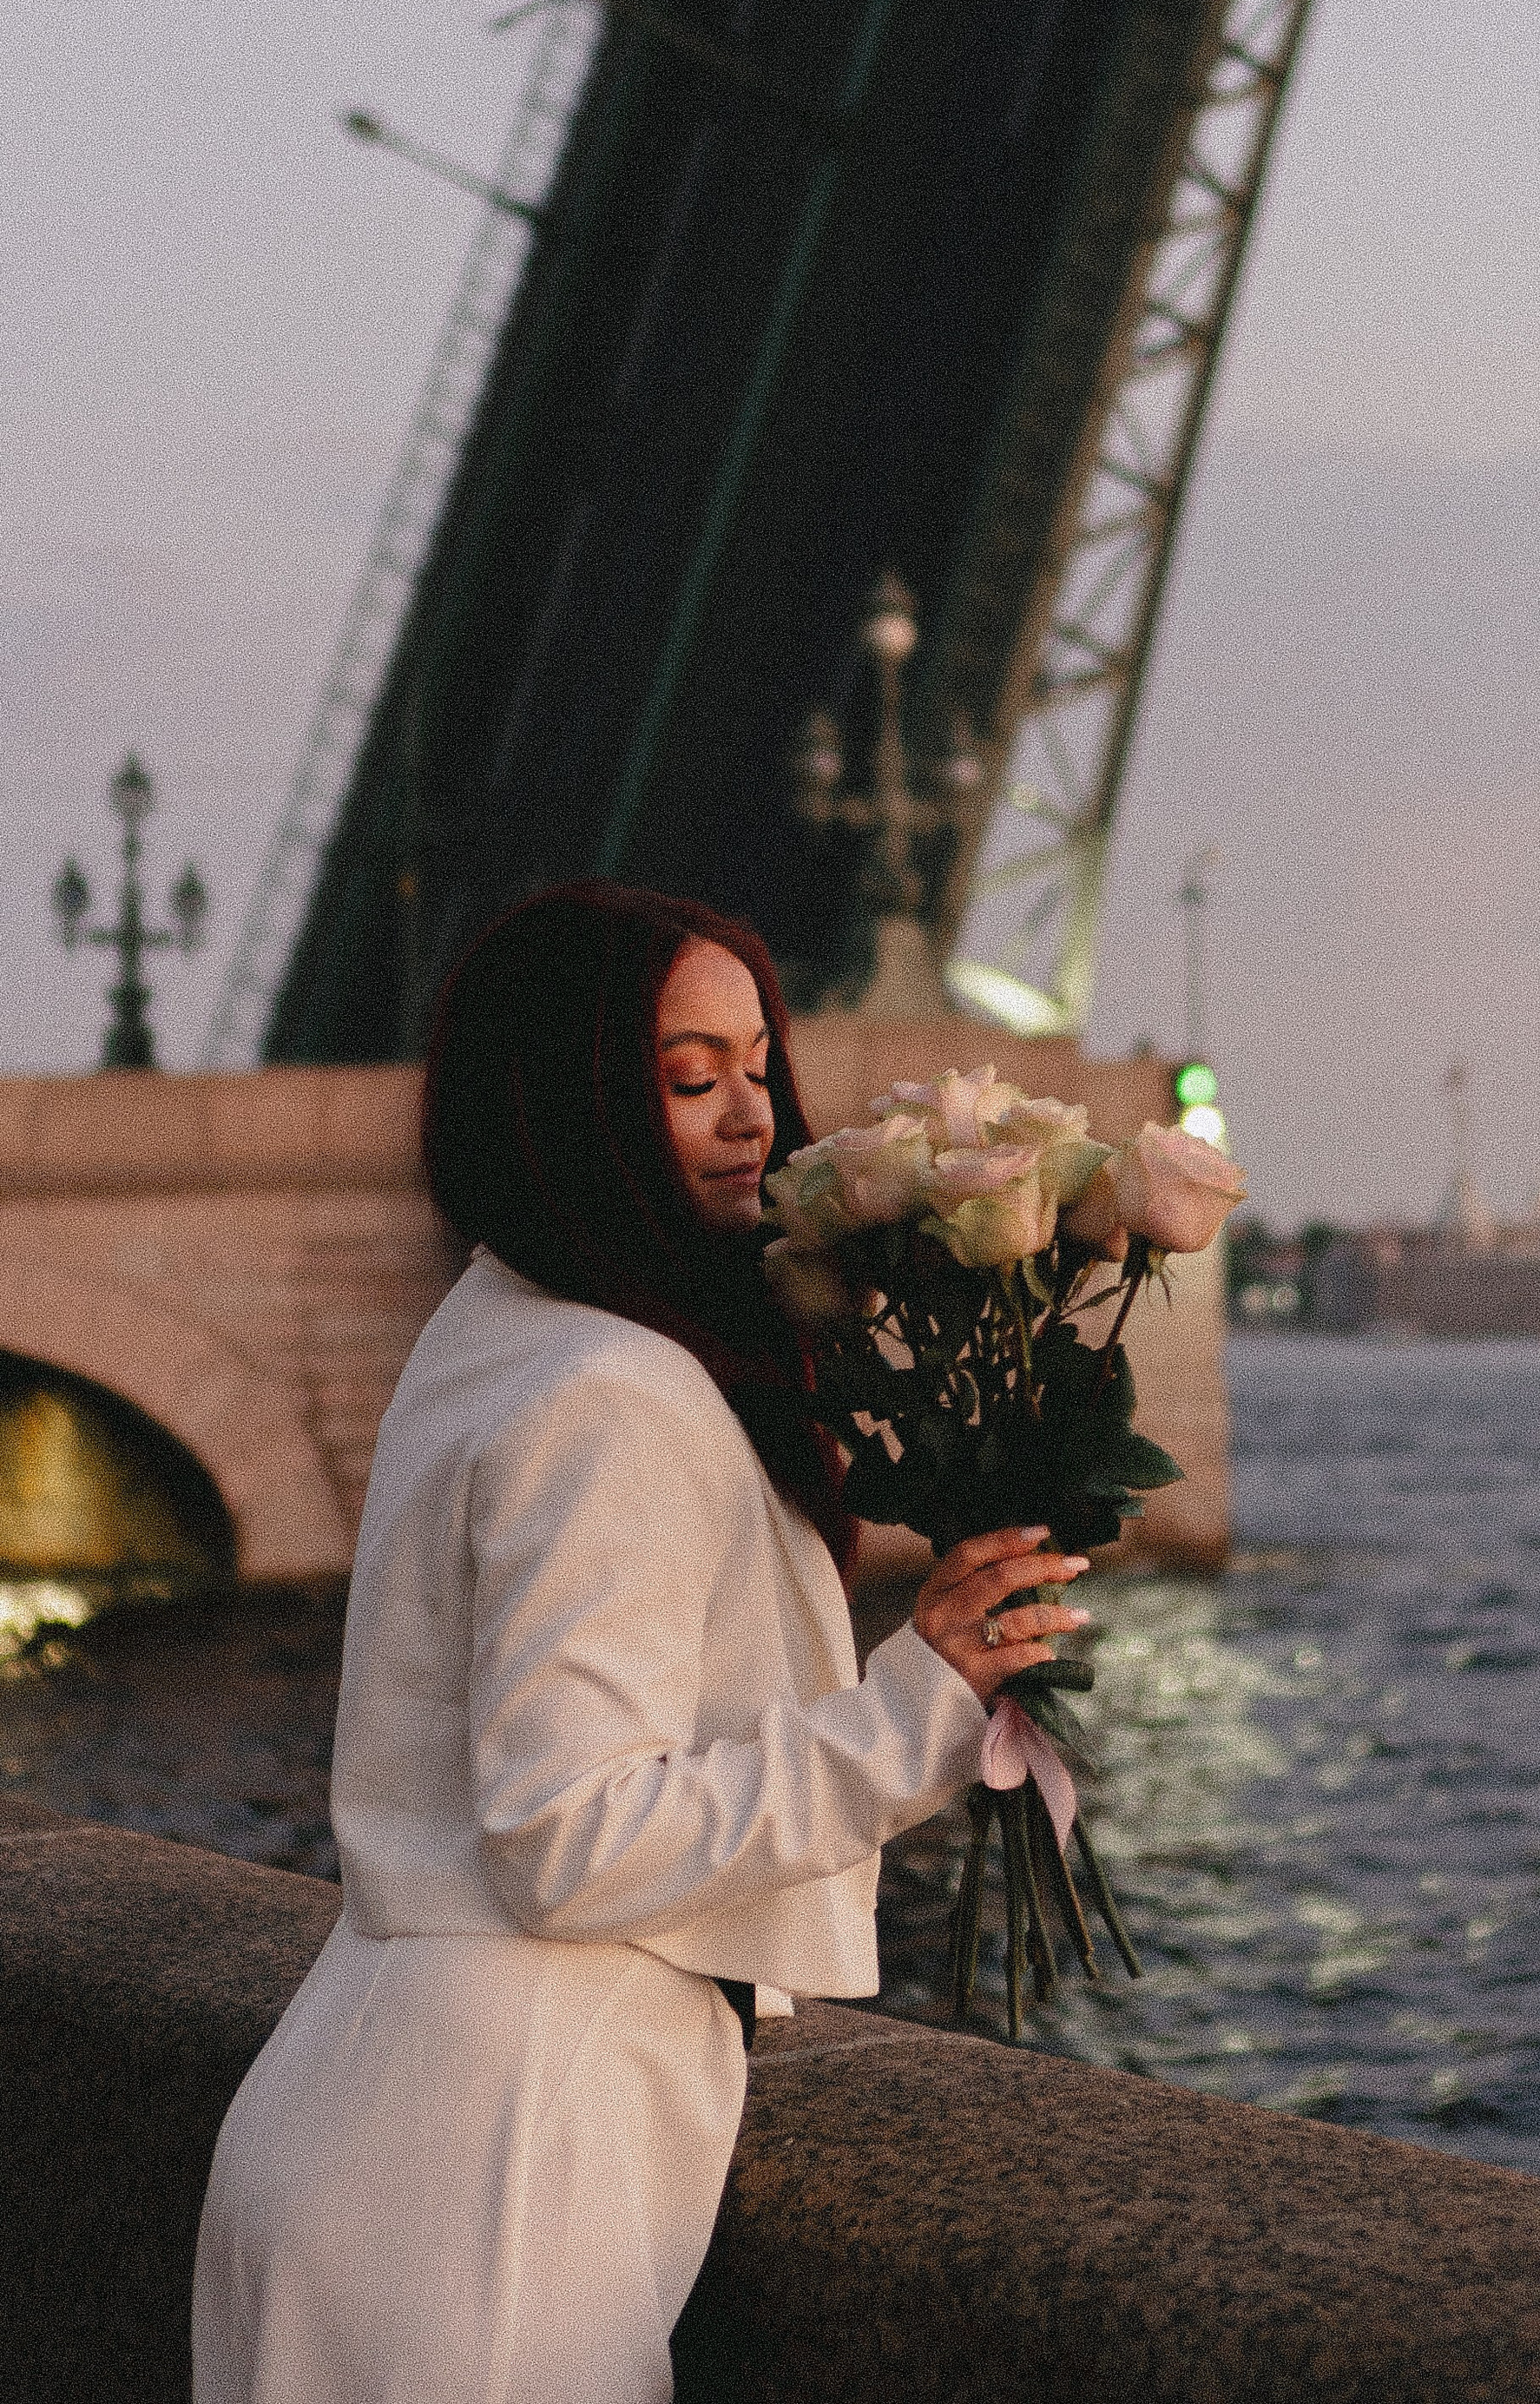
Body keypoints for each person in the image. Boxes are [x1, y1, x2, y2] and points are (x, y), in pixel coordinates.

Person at [193, 882, 1088, 2404]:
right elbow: (567, 1833)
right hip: (499, 2164)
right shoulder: (607, 1391)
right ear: (577, 1104)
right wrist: (914, 1706)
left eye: (757, 1065)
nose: (753, 1118)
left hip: (366, 2104)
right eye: (690, 1080)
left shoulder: (500, 1324)